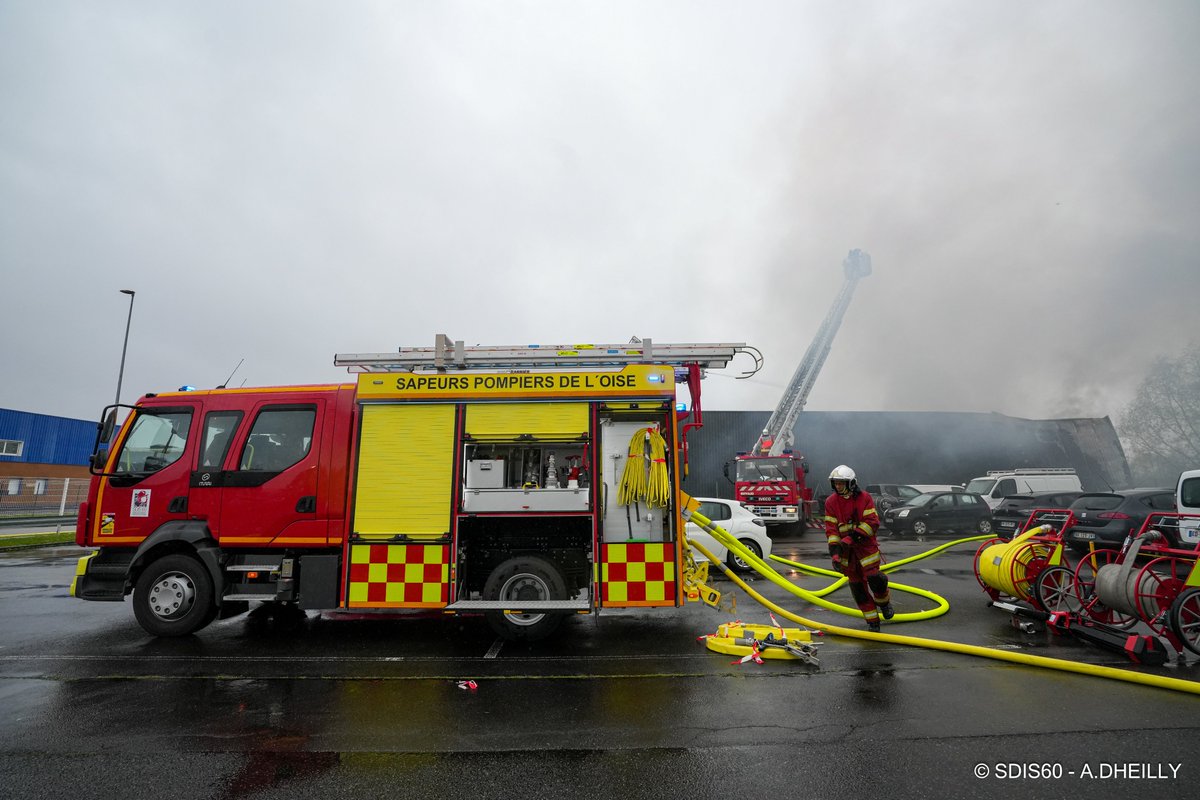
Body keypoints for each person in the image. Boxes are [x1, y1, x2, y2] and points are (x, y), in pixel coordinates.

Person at [824, 464, 893, 631]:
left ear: (851, 483)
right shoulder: (831, 502)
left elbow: (872, 523)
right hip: (848, 554)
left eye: (841, 483)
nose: (838, 486)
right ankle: (872, 622)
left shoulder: (864, 498)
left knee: (876, 579)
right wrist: (835, 553)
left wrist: (851, 538)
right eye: (836, 483)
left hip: (866, 548)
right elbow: (831, 530)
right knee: (858, 589)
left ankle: (884, 604)